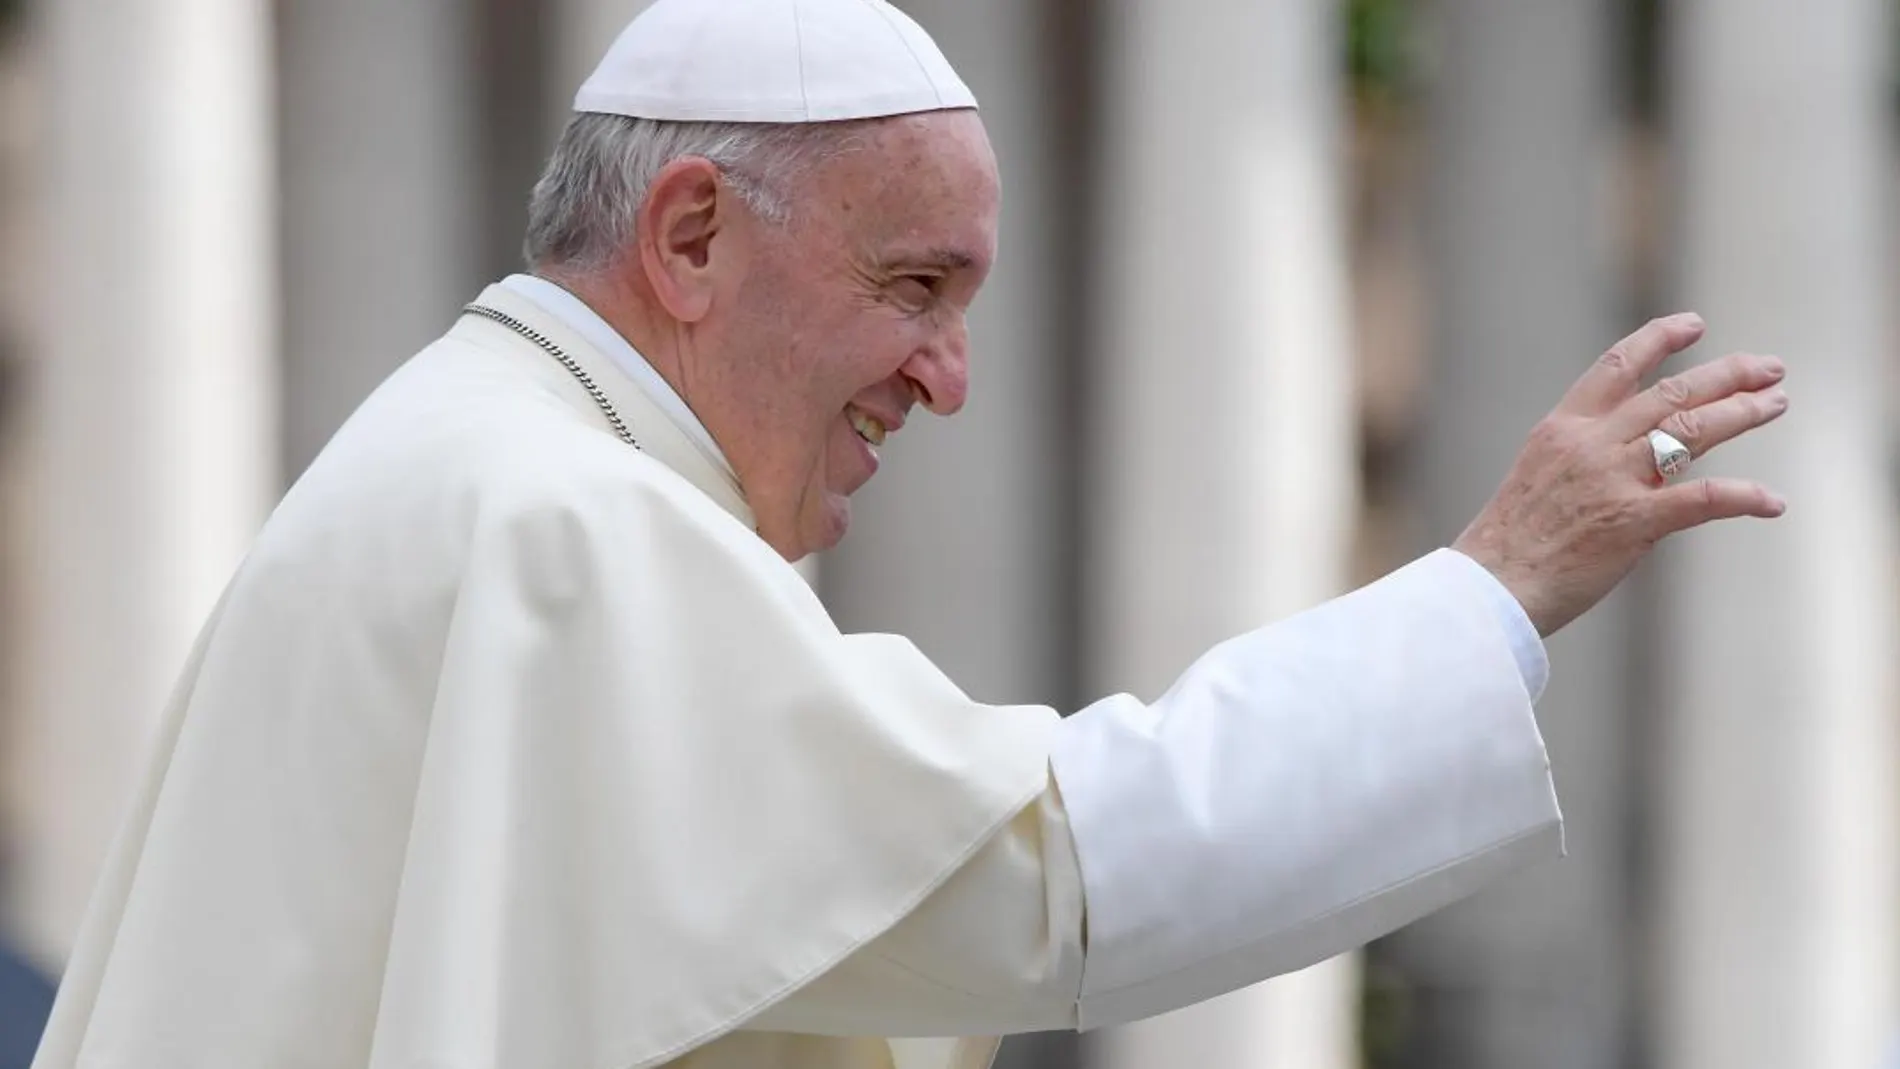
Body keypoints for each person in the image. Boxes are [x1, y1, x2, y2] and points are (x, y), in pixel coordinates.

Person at [30, 2, 1791, 1068]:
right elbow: (1048, 874)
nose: (945, 380)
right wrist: (1488, 594)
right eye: (911, 288)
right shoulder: (561, 533)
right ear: (696, 237)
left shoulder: (461, 459)